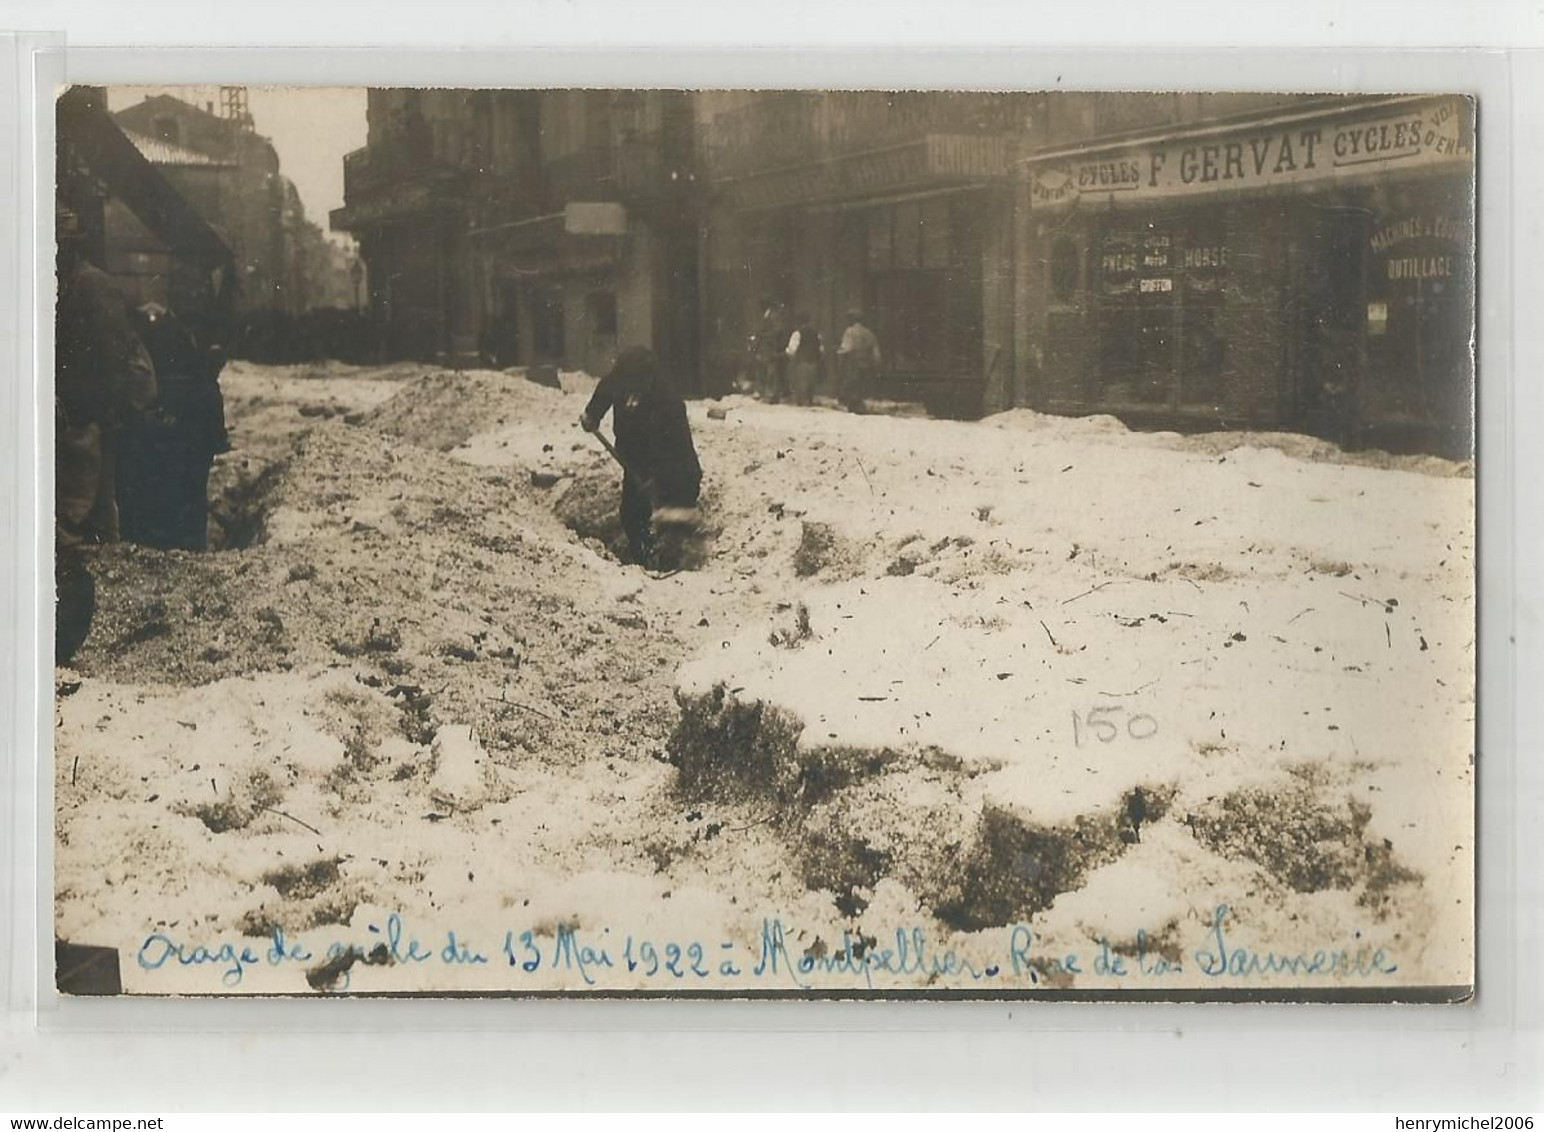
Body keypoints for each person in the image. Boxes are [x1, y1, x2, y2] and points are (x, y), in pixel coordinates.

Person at [54, 204, 158, 662]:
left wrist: (92, 406)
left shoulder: (88, 286)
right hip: (80, 415)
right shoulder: (72, 283)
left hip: (82, 419)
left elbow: (109, 356)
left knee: (77, 520)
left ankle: (81, 621)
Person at [118, 302, 230, 550]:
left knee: (174, 491)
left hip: (183, 428)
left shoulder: (164, 339)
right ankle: (186, 544)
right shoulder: (183, 340)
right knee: (187, 494)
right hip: (190, 429)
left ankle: (176, 544)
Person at [579, 346, 703, 567]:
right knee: (632, 514)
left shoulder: (667, 399)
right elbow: (605, 390)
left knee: (675, 513)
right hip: (634, 458)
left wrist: (655, 477)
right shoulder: (620, 380)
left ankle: (676, 554)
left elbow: (673, 446)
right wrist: (592, 414)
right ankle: (642, 554)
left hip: (673, 464)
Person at [835, 310, 881, 413]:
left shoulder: (850, 331)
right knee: (860, 386)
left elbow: (847, 347)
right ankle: (858, 406)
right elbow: (876, 354)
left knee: (851, 385)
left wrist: (839, 353)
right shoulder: (869, 333)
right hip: (866, 363)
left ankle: (854, 406)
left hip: (852, 362)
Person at [784, 311, 822, 407]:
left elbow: (792, 349)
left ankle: (801, 402)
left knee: (801, 382)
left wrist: (787, 353)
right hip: (813, 360)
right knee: (811, 382)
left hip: (801, 360)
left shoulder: (797, 333)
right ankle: (809, 400)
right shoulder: (816, 332)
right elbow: (820, 347)